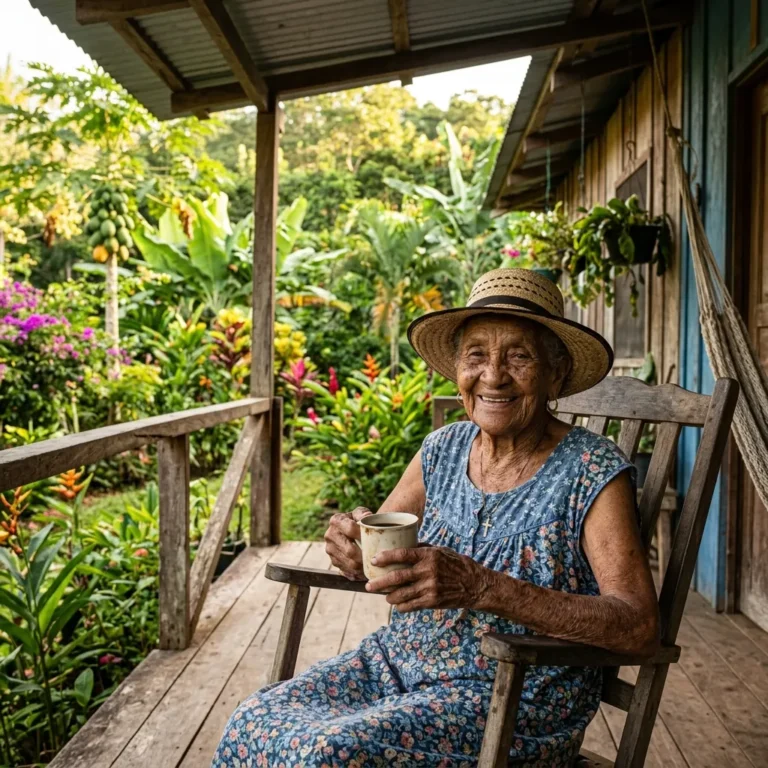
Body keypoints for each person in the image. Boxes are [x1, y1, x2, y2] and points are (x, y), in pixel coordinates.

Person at [212, 268, 659, 767]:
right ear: (457, 370)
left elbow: (638, 626)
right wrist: (353, 543)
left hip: (509, 696)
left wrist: (485, 587)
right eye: (476, 356)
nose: (493, 376)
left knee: (330, 754)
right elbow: (377, 544)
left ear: (555, 372)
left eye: (518, 356)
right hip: (394, 667)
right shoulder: (442, 448)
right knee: (252, 719)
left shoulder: (590, 469)